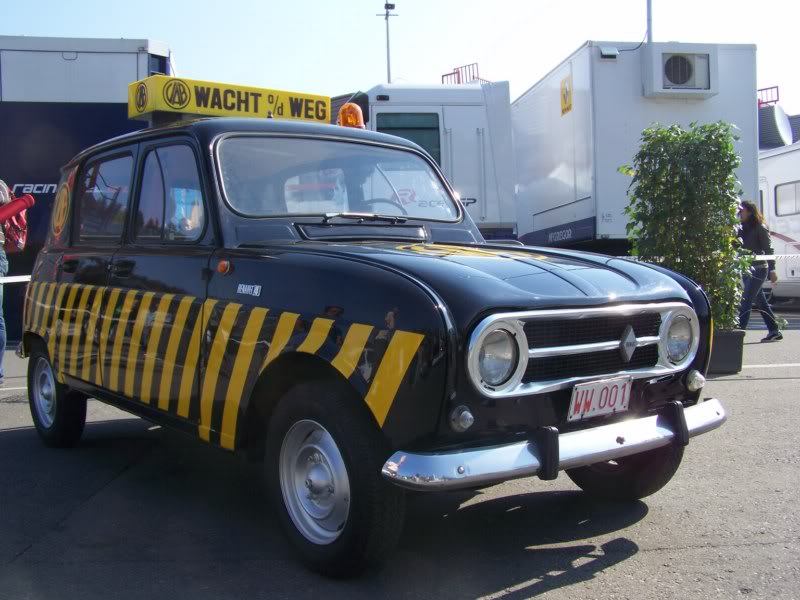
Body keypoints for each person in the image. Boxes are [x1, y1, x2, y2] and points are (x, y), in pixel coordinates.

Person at [738, 200, 782, 342]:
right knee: (761, 303)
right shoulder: (741, 228)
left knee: (746, 300)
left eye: (742, 210)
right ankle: (774, 331)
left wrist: (773, 269)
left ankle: (738, 332)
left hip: (758, 269)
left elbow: (768, 249)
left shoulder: (760, 228)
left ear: (750, 211)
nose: (739, 213)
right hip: (746, 268)